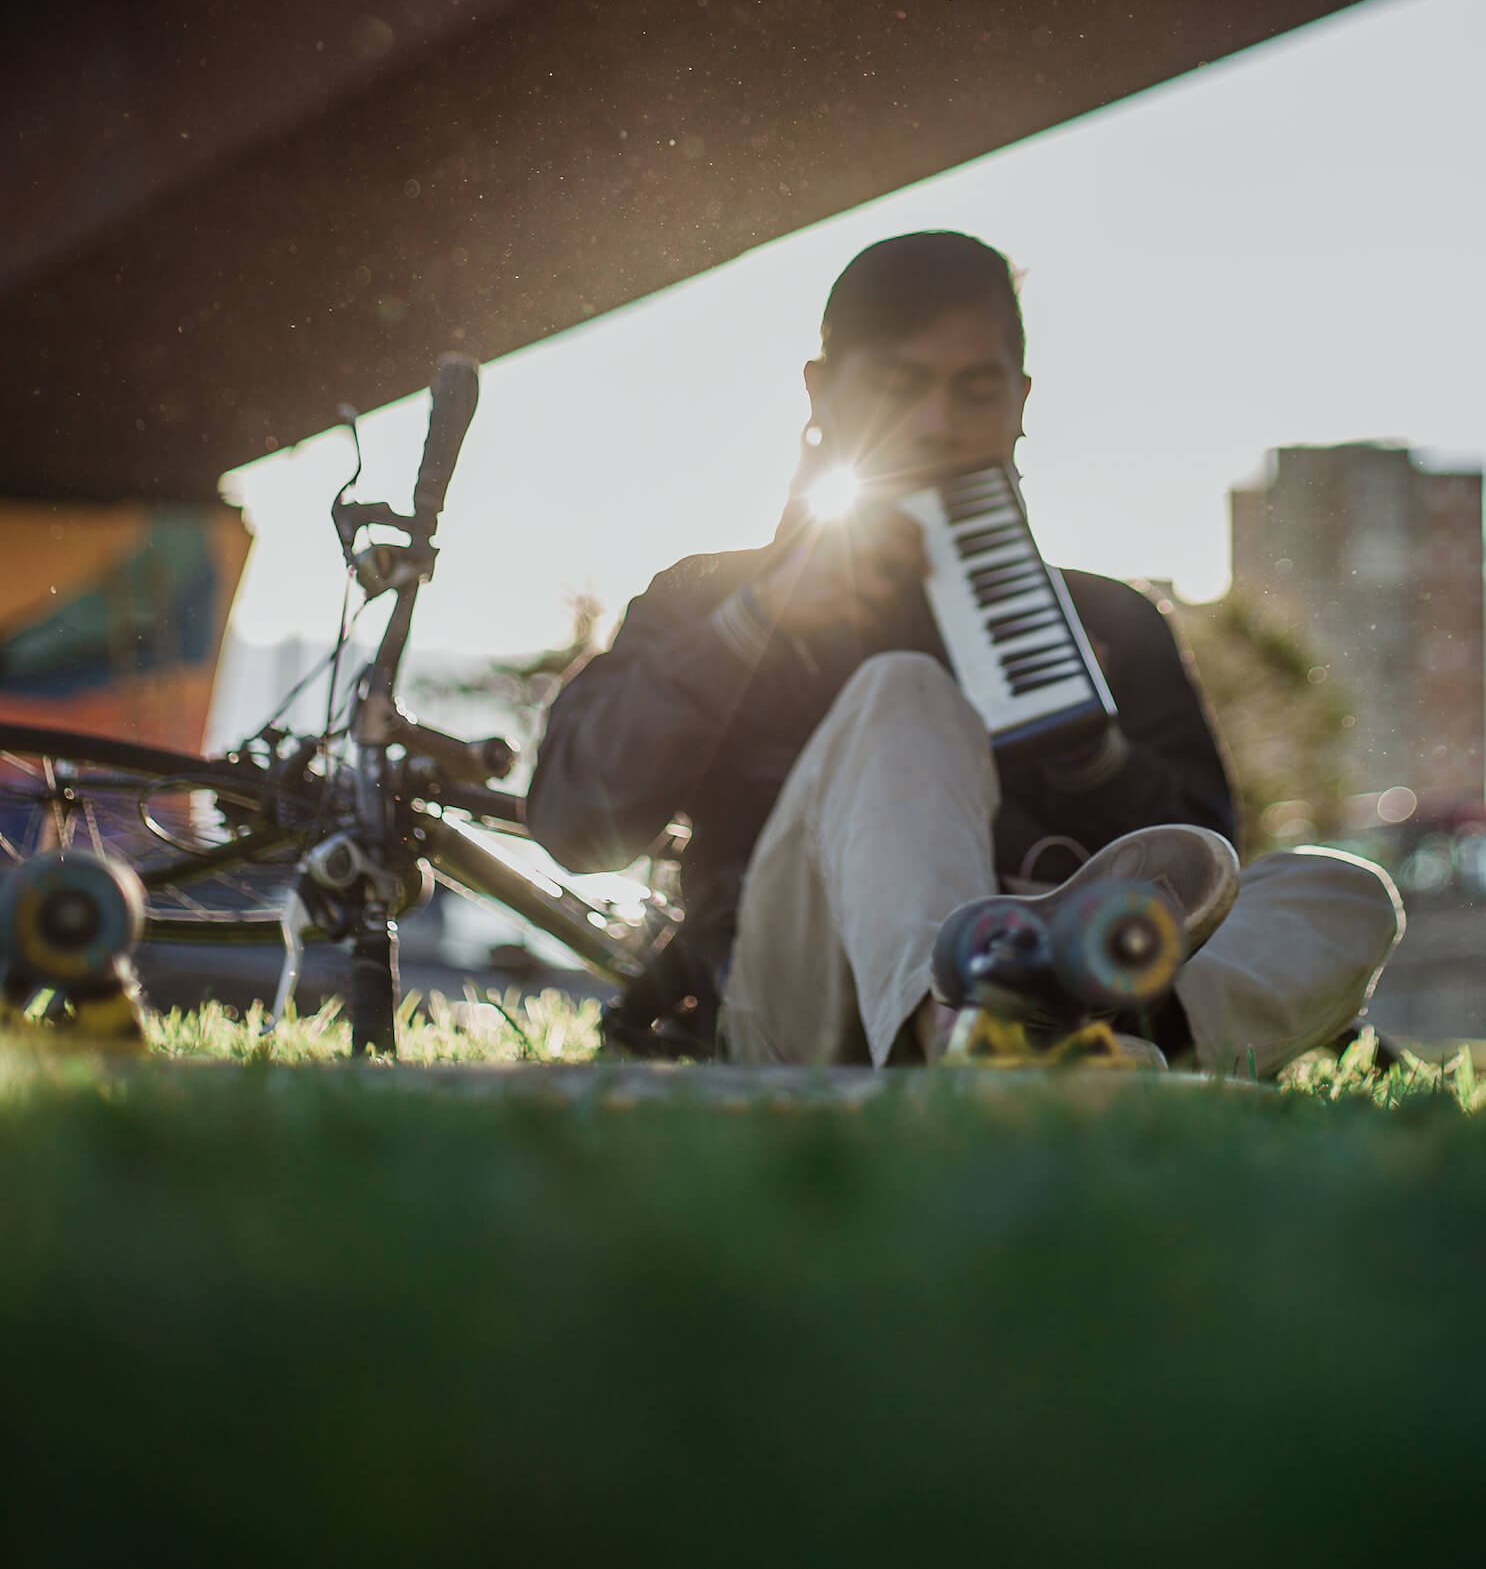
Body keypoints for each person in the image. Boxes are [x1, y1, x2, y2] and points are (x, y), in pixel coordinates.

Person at [527, 231, 1403, 1072]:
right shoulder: (711, 596)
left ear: (1020, 401)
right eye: (899, 387)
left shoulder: (1111, 621)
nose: (938, 423)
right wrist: (753, 627)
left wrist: (1091, 755)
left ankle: (1047, 1047)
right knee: (901, 693)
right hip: (796, 997)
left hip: (1077, 971)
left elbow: (1202, 874)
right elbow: (576, 823)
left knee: (1341, 893)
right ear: (821, 393)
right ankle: (963, 1025)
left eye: (975, 391)